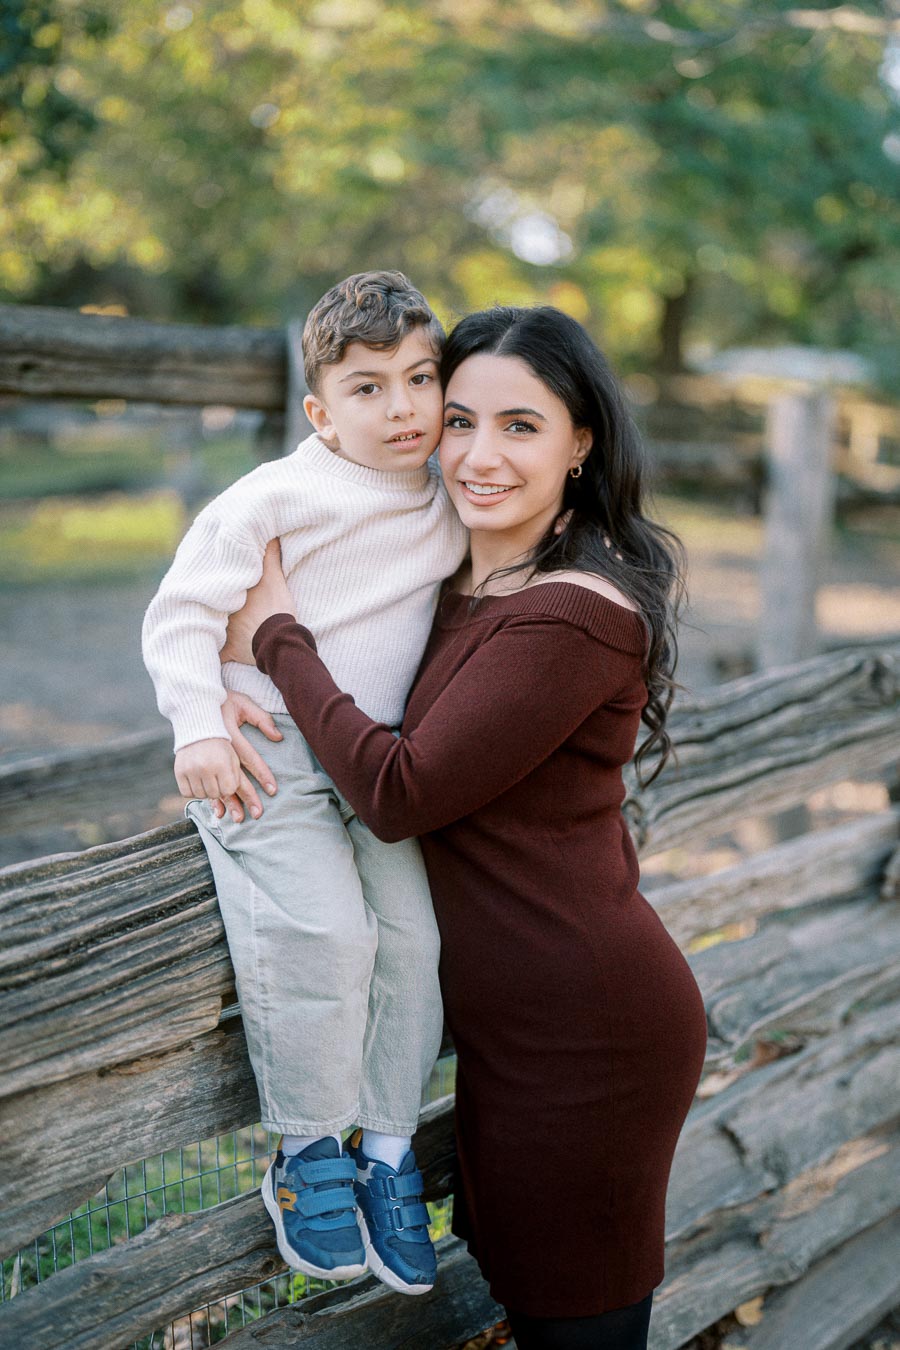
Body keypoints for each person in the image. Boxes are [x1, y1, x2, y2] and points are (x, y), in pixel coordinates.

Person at [215, 304, 709, 1348]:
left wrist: (277, 637)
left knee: (579, 1326)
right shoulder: (458, 581)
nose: (480, 455)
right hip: (501, 1029)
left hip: (587, 1036)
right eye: (461, 420)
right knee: (530, 1303)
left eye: (521, 426)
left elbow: (398, 790)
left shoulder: (574, 614)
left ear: (582, 444)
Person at [141, 271, 469, 1294]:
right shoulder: (275, 496)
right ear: (321, 412)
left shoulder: (451, 499)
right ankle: (307, 1148)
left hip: (376, 762)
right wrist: (198, 722)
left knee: (414, 943)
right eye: (368, 389)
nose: (403, 407)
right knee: (325, 932)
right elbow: (182, 610)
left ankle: (383, 1149)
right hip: (268, 747)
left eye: (420, 378)